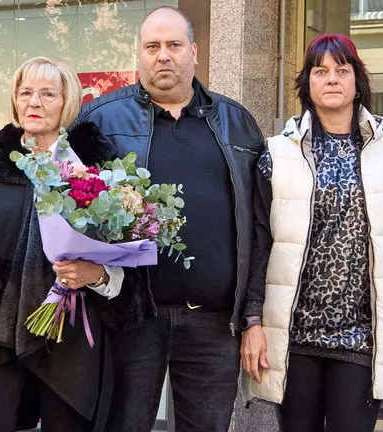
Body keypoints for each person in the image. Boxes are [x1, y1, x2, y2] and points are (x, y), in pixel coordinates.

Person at [241, 33, 383, 432]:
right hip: (294, 334)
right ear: (308, 83)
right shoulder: (278, 153)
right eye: (321, 71)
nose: (331, 79)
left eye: (341, 69)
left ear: (357, 82)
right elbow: (260, 241)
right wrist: (253, 320)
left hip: (361, 336)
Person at [74, 7, 265, 432]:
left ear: (194, 52)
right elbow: (70, 213)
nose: (164, 56)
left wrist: (253, 315)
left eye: (174, 45)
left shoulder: (238, 123)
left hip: (214, 323)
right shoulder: (100, 120)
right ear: (139, 55)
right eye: (153, 47)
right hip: (129, 318)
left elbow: (259, 228)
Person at [0, 56, 123, 432]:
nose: (34, 102)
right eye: (26, 92)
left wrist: (96, 274)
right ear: (15, 100)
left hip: (68, 336)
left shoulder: (95, 169)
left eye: (48, 93)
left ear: (67, 102)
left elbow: (120, 258)